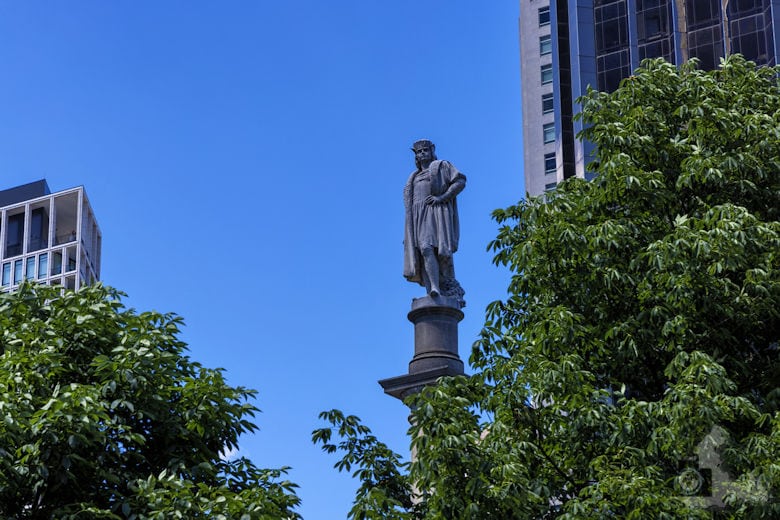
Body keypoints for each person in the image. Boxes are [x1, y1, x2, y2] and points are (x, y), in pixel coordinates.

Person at [403, 139, 466, 305]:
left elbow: (460, 181)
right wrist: (408, 233)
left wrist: (442, 198)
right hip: (417, 218)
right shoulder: (413, 177)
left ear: (431, 151)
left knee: (438, 252)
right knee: (423, 251)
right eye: (419, 152)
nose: (422, 154)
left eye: (425, 150)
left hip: (436, 214)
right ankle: (433, 288)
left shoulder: (441, 166)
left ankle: (439, 287)